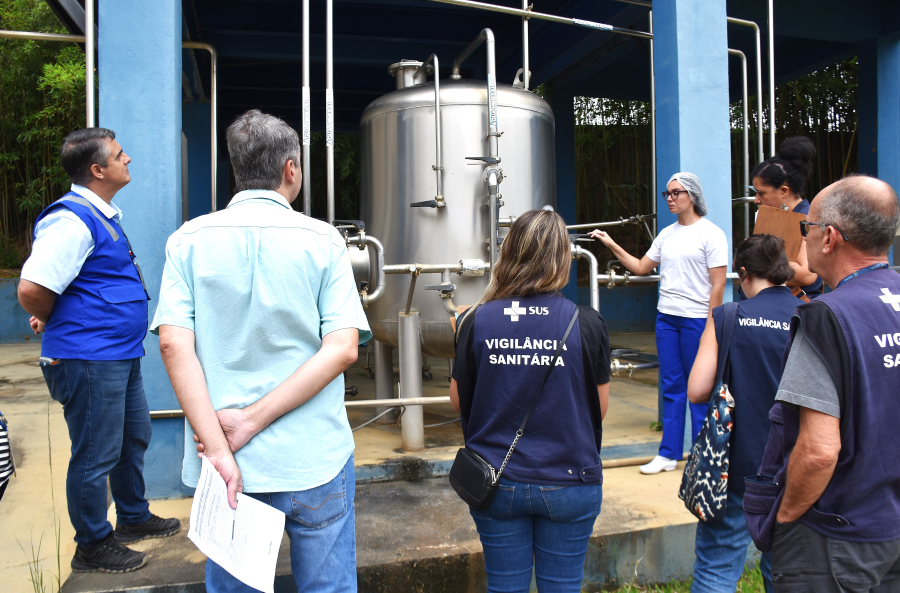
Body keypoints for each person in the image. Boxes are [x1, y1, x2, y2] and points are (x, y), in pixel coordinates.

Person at [152, 109, 371, 593]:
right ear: (291, 169)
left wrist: (220, 443)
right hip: (313, 457)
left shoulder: (188, 241)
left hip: (229, 464)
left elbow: (172, 344)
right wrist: (254, 418)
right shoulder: (323, 240)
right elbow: (342, 350)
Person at [17, 128, 180, 573]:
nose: (128, 160)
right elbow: (33, 289)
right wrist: (51, 315)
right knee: (95, 454)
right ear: (97, 169)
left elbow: (80, 283)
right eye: (120, 155)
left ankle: (131, 517)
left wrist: (55, 311)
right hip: (89, 358)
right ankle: (92, 544)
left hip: (116, 354)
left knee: (132, 439)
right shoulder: (71, 220)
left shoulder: (101, 214)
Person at [744, 174, 900, 591]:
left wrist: (785, 517)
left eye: (806, 229)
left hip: (839, 533)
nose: (804, 240)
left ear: (829, 237)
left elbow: (818, 450)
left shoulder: (826, 317)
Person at [450, 209, 610, 593]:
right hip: (570, 479)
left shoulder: (474, 319)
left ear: (510, 255)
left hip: (495, 480)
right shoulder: (585, 322)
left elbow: (458, 401)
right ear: (562, 258)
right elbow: (599, 408)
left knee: (505, 587)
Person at [686, 234, 802, 593]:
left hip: (736, 468)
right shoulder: (812, 316)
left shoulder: (729, 316)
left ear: (743, 274)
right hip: (796, 467)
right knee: (786, 573)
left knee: (717, 570)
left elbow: (697, 389)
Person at [591, 172, 727, 475]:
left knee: (700, 389)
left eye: (676, 193)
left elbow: (718, 285)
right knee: (671, 386)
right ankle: (668, 454)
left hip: (697, 321)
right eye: (667, 193)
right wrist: (611, 243)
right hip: (667, 318)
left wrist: (711, 326)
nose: (669, 198)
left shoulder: (712, 234)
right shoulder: (667, 234)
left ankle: (704, 455)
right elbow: (640, 267)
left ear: (691, 195)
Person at [751, 136, 822, 299]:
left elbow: (806, 274)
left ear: (784, 191)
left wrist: (757, 262)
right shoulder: (774, 216)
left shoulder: (808, 218)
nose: (756, 199)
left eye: (761, 193)